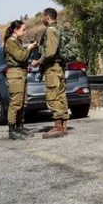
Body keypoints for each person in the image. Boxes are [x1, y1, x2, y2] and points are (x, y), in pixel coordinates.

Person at [33, 7, 69, 138]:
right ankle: (63, 126)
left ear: (47, 17)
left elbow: (50, 52)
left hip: (52, 68)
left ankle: (58, 127)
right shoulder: (59, 28)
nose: (42, 19)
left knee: (53, 96)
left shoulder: (50, 30)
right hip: (59, 67)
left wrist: (38, 62)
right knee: (61, 95)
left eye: (42, 16)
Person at [3, 20, 38, 140]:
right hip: (15, 74)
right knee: (15, 102)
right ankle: (12, 129)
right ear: (15, 30)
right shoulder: (10, 42)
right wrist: (29, 48)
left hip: (21, 73)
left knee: (23, 102)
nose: (24, 32)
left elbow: (24, 57)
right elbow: (21, 56)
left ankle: (19, 126)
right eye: (23, 30)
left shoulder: (17, 41)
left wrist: (30, 50)